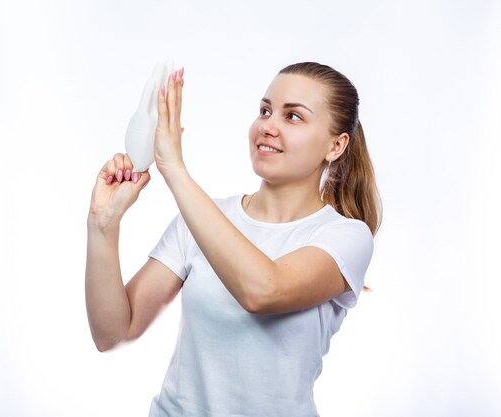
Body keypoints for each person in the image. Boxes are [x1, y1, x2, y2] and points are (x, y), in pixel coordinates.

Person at [86, 62, 382, 417]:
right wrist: (103, 225)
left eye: (293, 117)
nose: (267, 126)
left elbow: (263, 290)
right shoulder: (202, 218)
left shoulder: (346, 237)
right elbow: (114, 333)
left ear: (336, 145)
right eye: (265, 110)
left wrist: (175, 170)